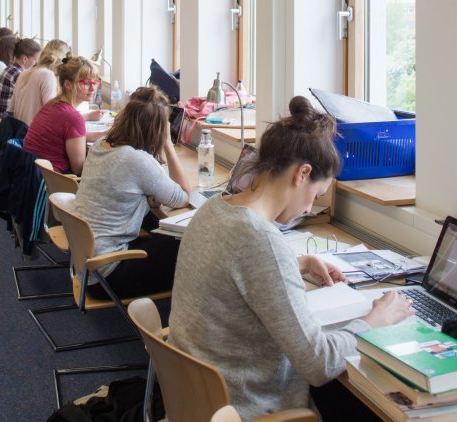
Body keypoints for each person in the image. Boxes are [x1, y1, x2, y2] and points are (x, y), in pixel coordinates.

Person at [168, 96, 415, 421]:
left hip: (201, 398)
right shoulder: (260, 240)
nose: (308, 207)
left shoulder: (215, 210)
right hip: (250, 405)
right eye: (315, 194)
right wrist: (374, 321)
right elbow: (319, 364)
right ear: (302, 174)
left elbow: (231, 265)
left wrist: (297, 264)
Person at [73, 87, 191, 300]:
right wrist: (167, 143)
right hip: (109, 276)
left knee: (161, 226)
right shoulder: (135, 160)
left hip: (88, 265)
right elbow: (183, 197)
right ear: (156, 129)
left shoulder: (102, 145)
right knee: (190, 239)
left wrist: (146, 198)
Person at [22, 55, 102, 175]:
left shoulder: (53, 104)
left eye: (95, 82)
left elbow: (67, 135)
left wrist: (99, 135)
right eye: (86, 83)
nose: (92, 88)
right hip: (51, 184)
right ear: (68, 84)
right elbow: (79, 169)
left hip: (31, 176)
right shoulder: (73, 118)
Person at [8, 39, 68, 124]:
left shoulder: (25, 72)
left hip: (20, 132)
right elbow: (52, 114)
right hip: (35, 133)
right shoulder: (48, 75)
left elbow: (11, 109)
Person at [0, 38, 42, 115]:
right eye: (35, 60)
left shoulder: (10, 68)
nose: (36, 63)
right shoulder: (19, 74)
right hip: (8, 122)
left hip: (1, 117)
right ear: (25, 59)